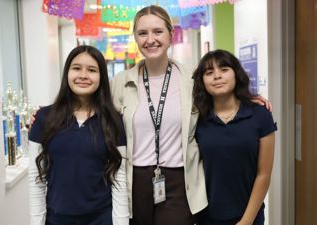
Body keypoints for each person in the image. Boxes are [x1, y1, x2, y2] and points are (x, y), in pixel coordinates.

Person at [110, 5, 271, 225]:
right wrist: (49, 110)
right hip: (134, 180)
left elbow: (221, 96)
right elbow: (94, 108)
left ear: (171, 35)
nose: (150, 39)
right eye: (142, 33)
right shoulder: (121, 82)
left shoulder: (191, 80)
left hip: (179, 179)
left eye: (158, 31)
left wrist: (250, 99)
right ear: (135, 38)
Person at [28, 45, 129, 225]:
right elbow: (36, 180)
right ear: (67, 73)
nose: (83, 75)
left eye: (91, 70)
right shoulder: (44, 118)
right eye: (76, 68)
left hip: (101, 219)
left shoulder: (114, 121)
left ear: (101, 77)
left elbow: (119, 180)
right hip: (56, 219)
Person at [192, 49, 277, 225]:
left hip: (249, 215)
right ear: (202, 81)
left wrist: (246, 221)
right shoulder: (196, 119)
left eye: (224, 69)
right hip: (206, 217)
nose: (217, 76)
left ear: (236, 74)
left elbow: (264, 174)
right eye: (209, 72)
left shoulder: (260, 115)